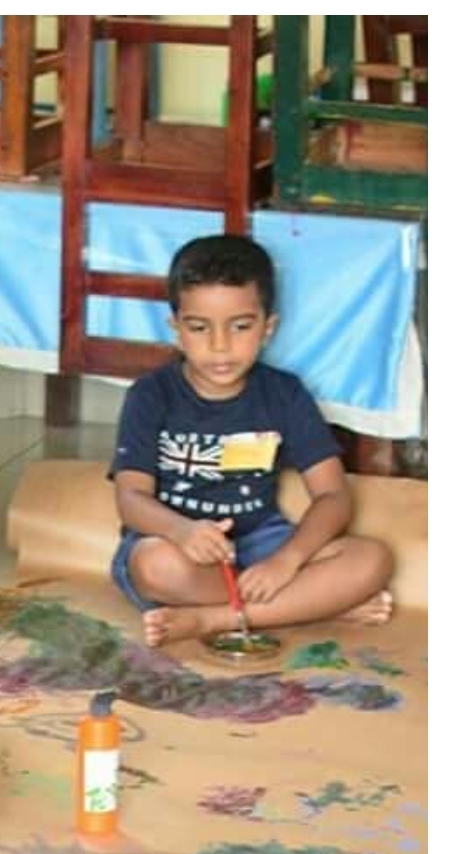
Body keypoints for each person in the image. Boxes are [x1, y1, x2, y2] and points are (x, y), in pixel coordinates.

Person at [114, 234, 398, 645]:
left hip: (264, 543)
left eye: (241, 326)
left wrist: (287, 561)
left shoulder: (285, 394)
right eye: (198, 327)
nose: (220, 346)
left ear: (268, 327)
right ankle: (312, 606)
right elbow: (131, 499)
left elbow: (334, 497)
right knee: (157, 566)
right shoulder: (150, 394)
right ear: (176, 328)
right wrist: (182, 531)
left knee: (372, 558)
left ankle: (215, 620)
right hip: (179, 548)